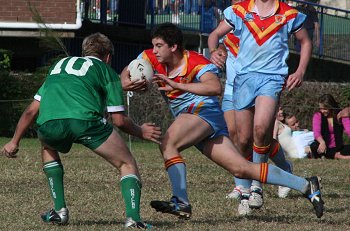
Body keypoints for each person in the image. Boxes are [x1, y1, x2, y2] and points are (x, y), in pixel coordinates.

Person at [121, 22, 323, 219]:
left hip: (203, 112)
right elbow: (128, 70)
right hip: (193, 119)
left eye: (159, 46)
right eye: (154, 45)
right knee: (241, 168)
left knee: (168, 143)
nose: (154, 50)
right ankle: (305, 185)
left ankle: (180, 201)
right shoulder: (149, 57)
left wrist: (177, 85)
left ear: (173, 47)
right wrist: (126, 82)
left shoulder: (196, 61)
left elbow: (214, 87)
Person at [1, 33, 162, 229]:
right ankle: (133, 219)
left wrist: (14, 141)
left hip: (49, 124)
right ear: (108, 57)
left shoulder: (59, 67)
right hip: (85, 122)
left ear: (84, 52)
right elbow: (118, 120)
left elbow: (31, 111)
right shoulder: (106, 70)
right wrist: (141, 131)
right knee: (126, 163)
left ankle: (59, 211)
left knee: (48, 145)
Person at [208, 0, 311, 211]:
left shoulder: (289, 14)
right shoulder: (239, 10)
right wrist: (214, 50)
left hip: (272, 78)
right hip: (243, 80)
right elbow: (214, 34)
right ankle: (244, 190)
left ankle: (256, 186)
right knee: (243, 139)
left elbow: (306, 42)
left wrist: (300, 71)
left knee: (261, 129)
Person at [310, 94, 350, 160]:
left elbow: (348, 129)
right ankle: (339, 157)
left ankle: (331, 155)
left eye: (325, 109)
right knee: (314, 146)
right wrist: (322, 142)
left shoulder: (340, 115)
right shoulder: (317, 116)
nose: (322, 111)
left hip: (338, 147)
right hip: (324, 146)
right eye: (320, 108)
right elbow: (317, 133)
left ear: (331, 107)